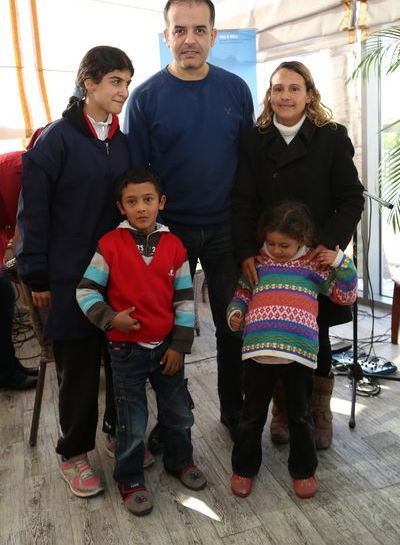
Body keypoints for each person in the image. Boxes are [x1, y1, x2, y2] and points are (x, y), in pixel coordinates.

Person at [124, 0, 254, 448]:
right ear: (167, 36)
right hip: (169, 232)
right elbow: (137, 178)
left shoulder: (236, 90)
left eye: (200, 30)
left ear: (214, 36)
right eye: (180, 30)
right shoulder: (144, 98)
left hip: (225, 229)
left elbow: (248, 164)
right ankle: (172, 421)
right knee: (164, 330)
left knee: (232, 325)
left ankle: (234, 412)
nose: (190, 39)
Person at [16, 45, 134, 497]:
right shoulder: (54, 140)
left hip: (118, 274)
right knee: (79, 372)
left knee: (121, 362)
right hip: (69, 277)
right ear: (90, 84)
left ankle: (116, 432)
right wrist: (37, 275)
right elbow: (33, 213)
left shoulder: (123, 141)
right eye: (115, 81)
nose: (123, 91)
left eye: (127, 82)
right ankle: (73, 452)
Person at [232, 60, 365, 450]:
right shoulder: (253, 139)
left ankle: (317, 410)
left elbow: (351, 198)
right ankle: (282, 409)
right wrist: (246, 251)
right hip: (270, 256)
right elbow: (242, 201)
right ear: (269, 96)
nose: (285, 96)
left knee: (316, 333)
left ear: (310, 94)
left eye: (294, 88)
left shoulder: (331, 136)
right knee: (272, 331)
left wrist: (328, 243)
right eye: (278, 88)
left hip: (315, 257)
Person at [76, 167, 207, 516]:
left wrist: (179, 346)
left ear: (160, 202)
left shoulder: (175, 247)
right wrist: (110, 318)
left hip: (167, 349)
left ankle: (180, 461)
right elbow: (85, 291)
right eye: (132, 202)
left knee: (178, 414)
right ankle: (130, 478)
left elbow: (184, 300)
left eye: (147, 199)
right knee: (131, 422)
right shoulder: (110, 245)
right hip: (125, 350)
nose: (141, 207)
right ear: (121, 207)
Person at [228, 200, 358, 499]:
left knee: (301, 417)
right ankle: (244, 467)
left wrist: (341, 262)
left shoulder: (314, 265)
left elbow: (346, 296)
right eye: (271, 242)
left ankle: (304, 469)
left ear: (302, 239)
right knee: (251, 416)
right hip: (258, 353)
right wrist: (235, 313)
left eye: (284, 245)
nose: (276, 249)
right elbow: (241, 295)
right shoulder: (257, 263)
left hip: (299, 355)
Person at [0, 150, 38, 390]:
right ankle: (6, 372)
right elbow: (21, 220)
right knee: (3, 293)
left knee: (4, 295)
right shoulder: (19, 168)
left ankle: (10, 366)